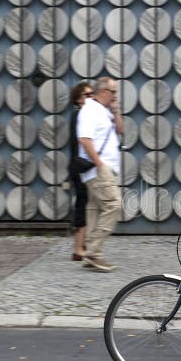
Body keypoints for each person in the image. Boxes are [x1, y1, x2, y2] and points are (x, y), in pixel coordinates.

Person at [76, 76, 123, 272]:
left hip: (103, 169)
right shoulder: (89, 110)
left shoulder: (104, 111)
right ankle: (93, 252)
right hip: (98, 169)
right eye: (113, 91)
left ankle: (91, 254)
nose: (115, 95)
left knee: (95, 209)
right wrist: (100, 164)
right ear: (103, 91)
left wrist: (116, 110)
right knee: (113, 204)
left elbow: (121, 131)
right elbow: (85, 140)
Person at [68, 81, 94, 261]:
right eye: (87, 95)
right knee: (82, 206)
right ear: (78, 99)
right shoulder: (79, 115)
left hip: (81, 165)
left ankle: (82, 244)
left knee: (84, 204)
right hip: (81, 167)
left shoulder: (81, 114)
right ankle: (78, 248)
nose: (91, 97)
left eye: (92, 94)